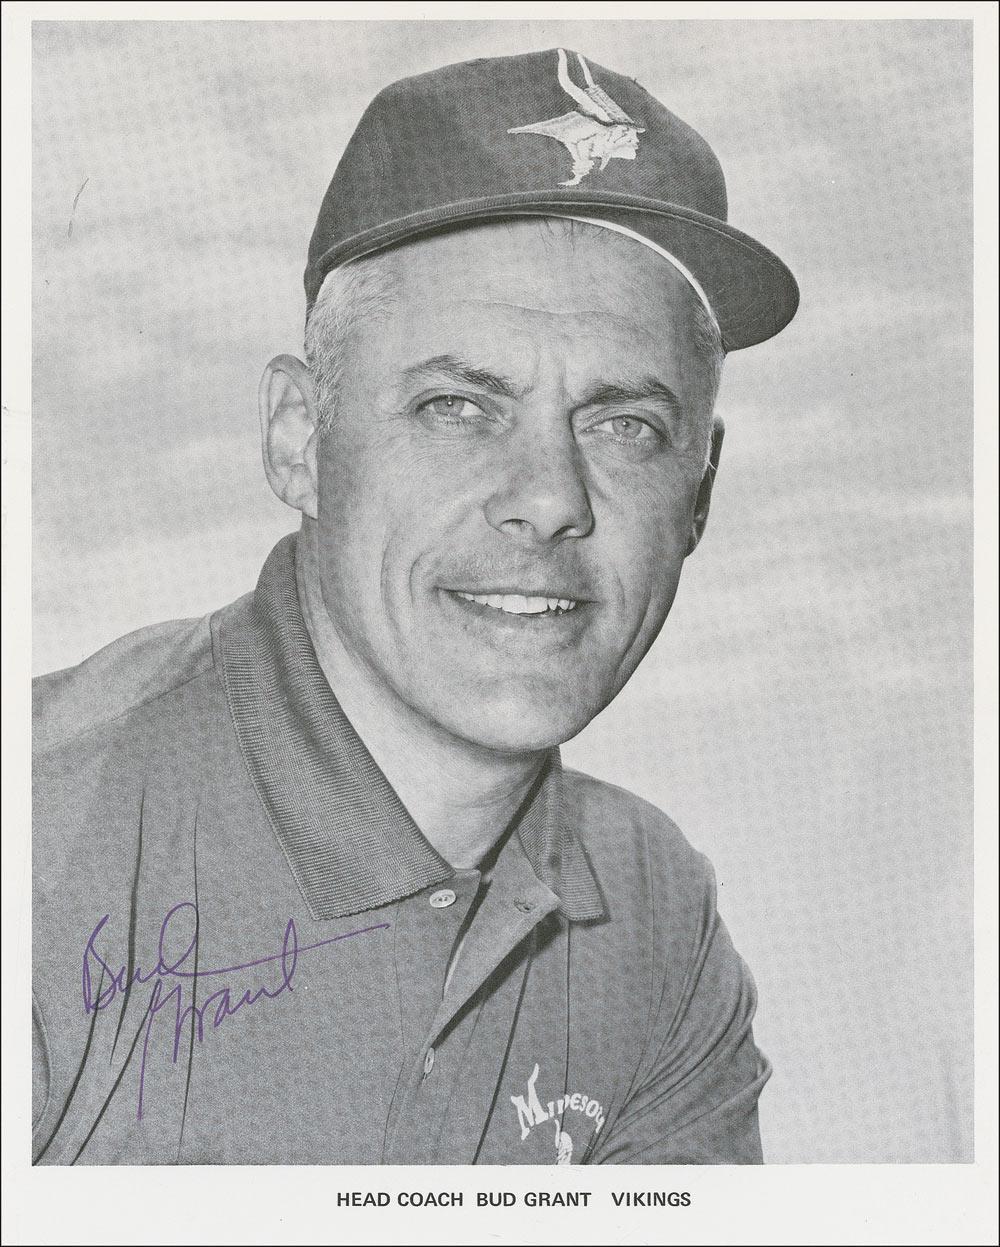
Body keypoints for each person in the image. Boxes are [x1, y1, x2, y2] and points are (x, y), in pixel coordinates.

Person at [32, 47, 798, 1166]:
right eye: (457, 406)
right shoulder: (39, 839)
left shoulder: (653, 914)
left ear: (700, 491)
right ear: (299, 439)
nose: (551, 499)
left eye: (625, 425)